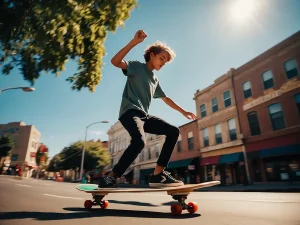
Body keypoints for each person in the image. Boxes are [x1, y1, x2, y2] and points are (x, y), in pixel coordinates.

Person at [99, 30, 197, 188]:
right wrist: (134, 43)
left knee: (173, 131)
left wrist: (183, 111)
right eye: (162, 58)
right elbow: (115, 61)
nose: (163, 63)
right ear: (152, 55)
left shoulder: (154, 79)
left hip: (143, 116)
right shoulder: (136, 67)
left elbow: (166, 98)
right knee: (139, 142)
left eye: (165, 62)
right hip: (129, 112)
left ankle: (158, 174)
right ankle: (110, 177)